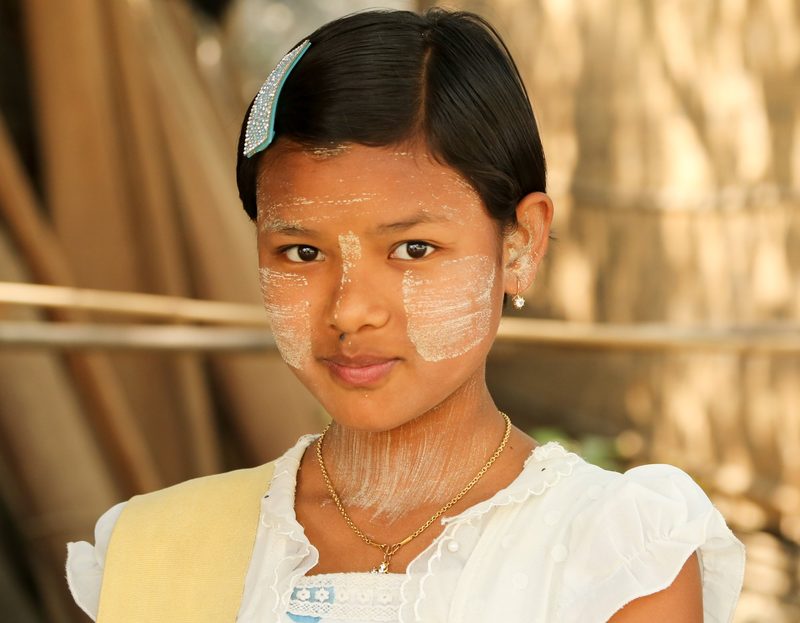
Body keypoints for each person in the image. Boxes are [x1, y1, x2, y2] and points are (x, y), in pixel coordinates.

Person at [66, 8, 745, 622]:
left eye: (413, 249)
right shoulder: (157, 550)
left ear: (520, 245)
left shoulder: (617, 558)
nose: (349, 310)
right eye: (302, 252)